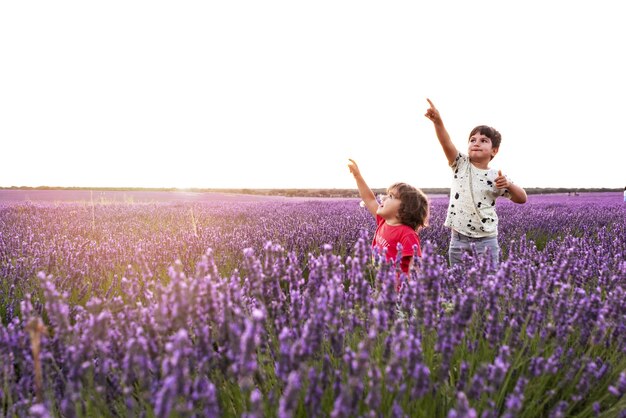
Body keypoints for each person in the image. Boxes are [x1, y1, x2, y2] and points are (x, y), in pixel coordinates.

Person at [424, 98, 527, 267]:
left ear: (494, 150)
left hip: (486, 240)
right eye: (472, 140)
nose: (476, 143)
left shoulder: (497, 176)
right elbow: (445, 142)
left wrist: (508, 184)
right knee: (458, 282)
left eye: (483, 140)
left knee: (489, 283)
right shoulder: (460, 164)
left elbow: (522, 198)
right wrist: (438, 122)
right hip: (458, 239)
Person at [347, 158, 429, 276]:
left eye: (391, 196)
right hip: (383, 282)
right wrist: (357, 176)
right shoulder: (384, 221)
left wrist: (409, 292)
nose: (383, 198)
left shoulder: (407, 235)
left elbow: (415, 267)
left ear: (404, 209)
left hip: (398, 289)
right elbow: (369, 199)